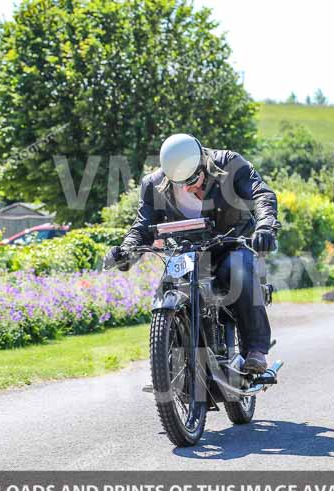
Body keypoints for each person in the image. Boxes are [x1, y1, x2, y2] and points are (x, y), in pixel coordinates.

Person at [104, 133, 280, 373]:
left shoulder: (230, 164)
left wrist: (265, 226)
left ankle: (256, 350)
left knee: (239, 268)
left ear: (203, 162)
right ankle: (165, 366)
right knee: (170, 285)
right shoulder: (153, 184)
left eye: (194, 178)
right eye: (180, 183)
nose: (188, 187)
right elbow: (142, 227)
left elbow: (262, 195)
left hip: (229, 244)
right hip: (185, 251)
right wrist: (126, 251)